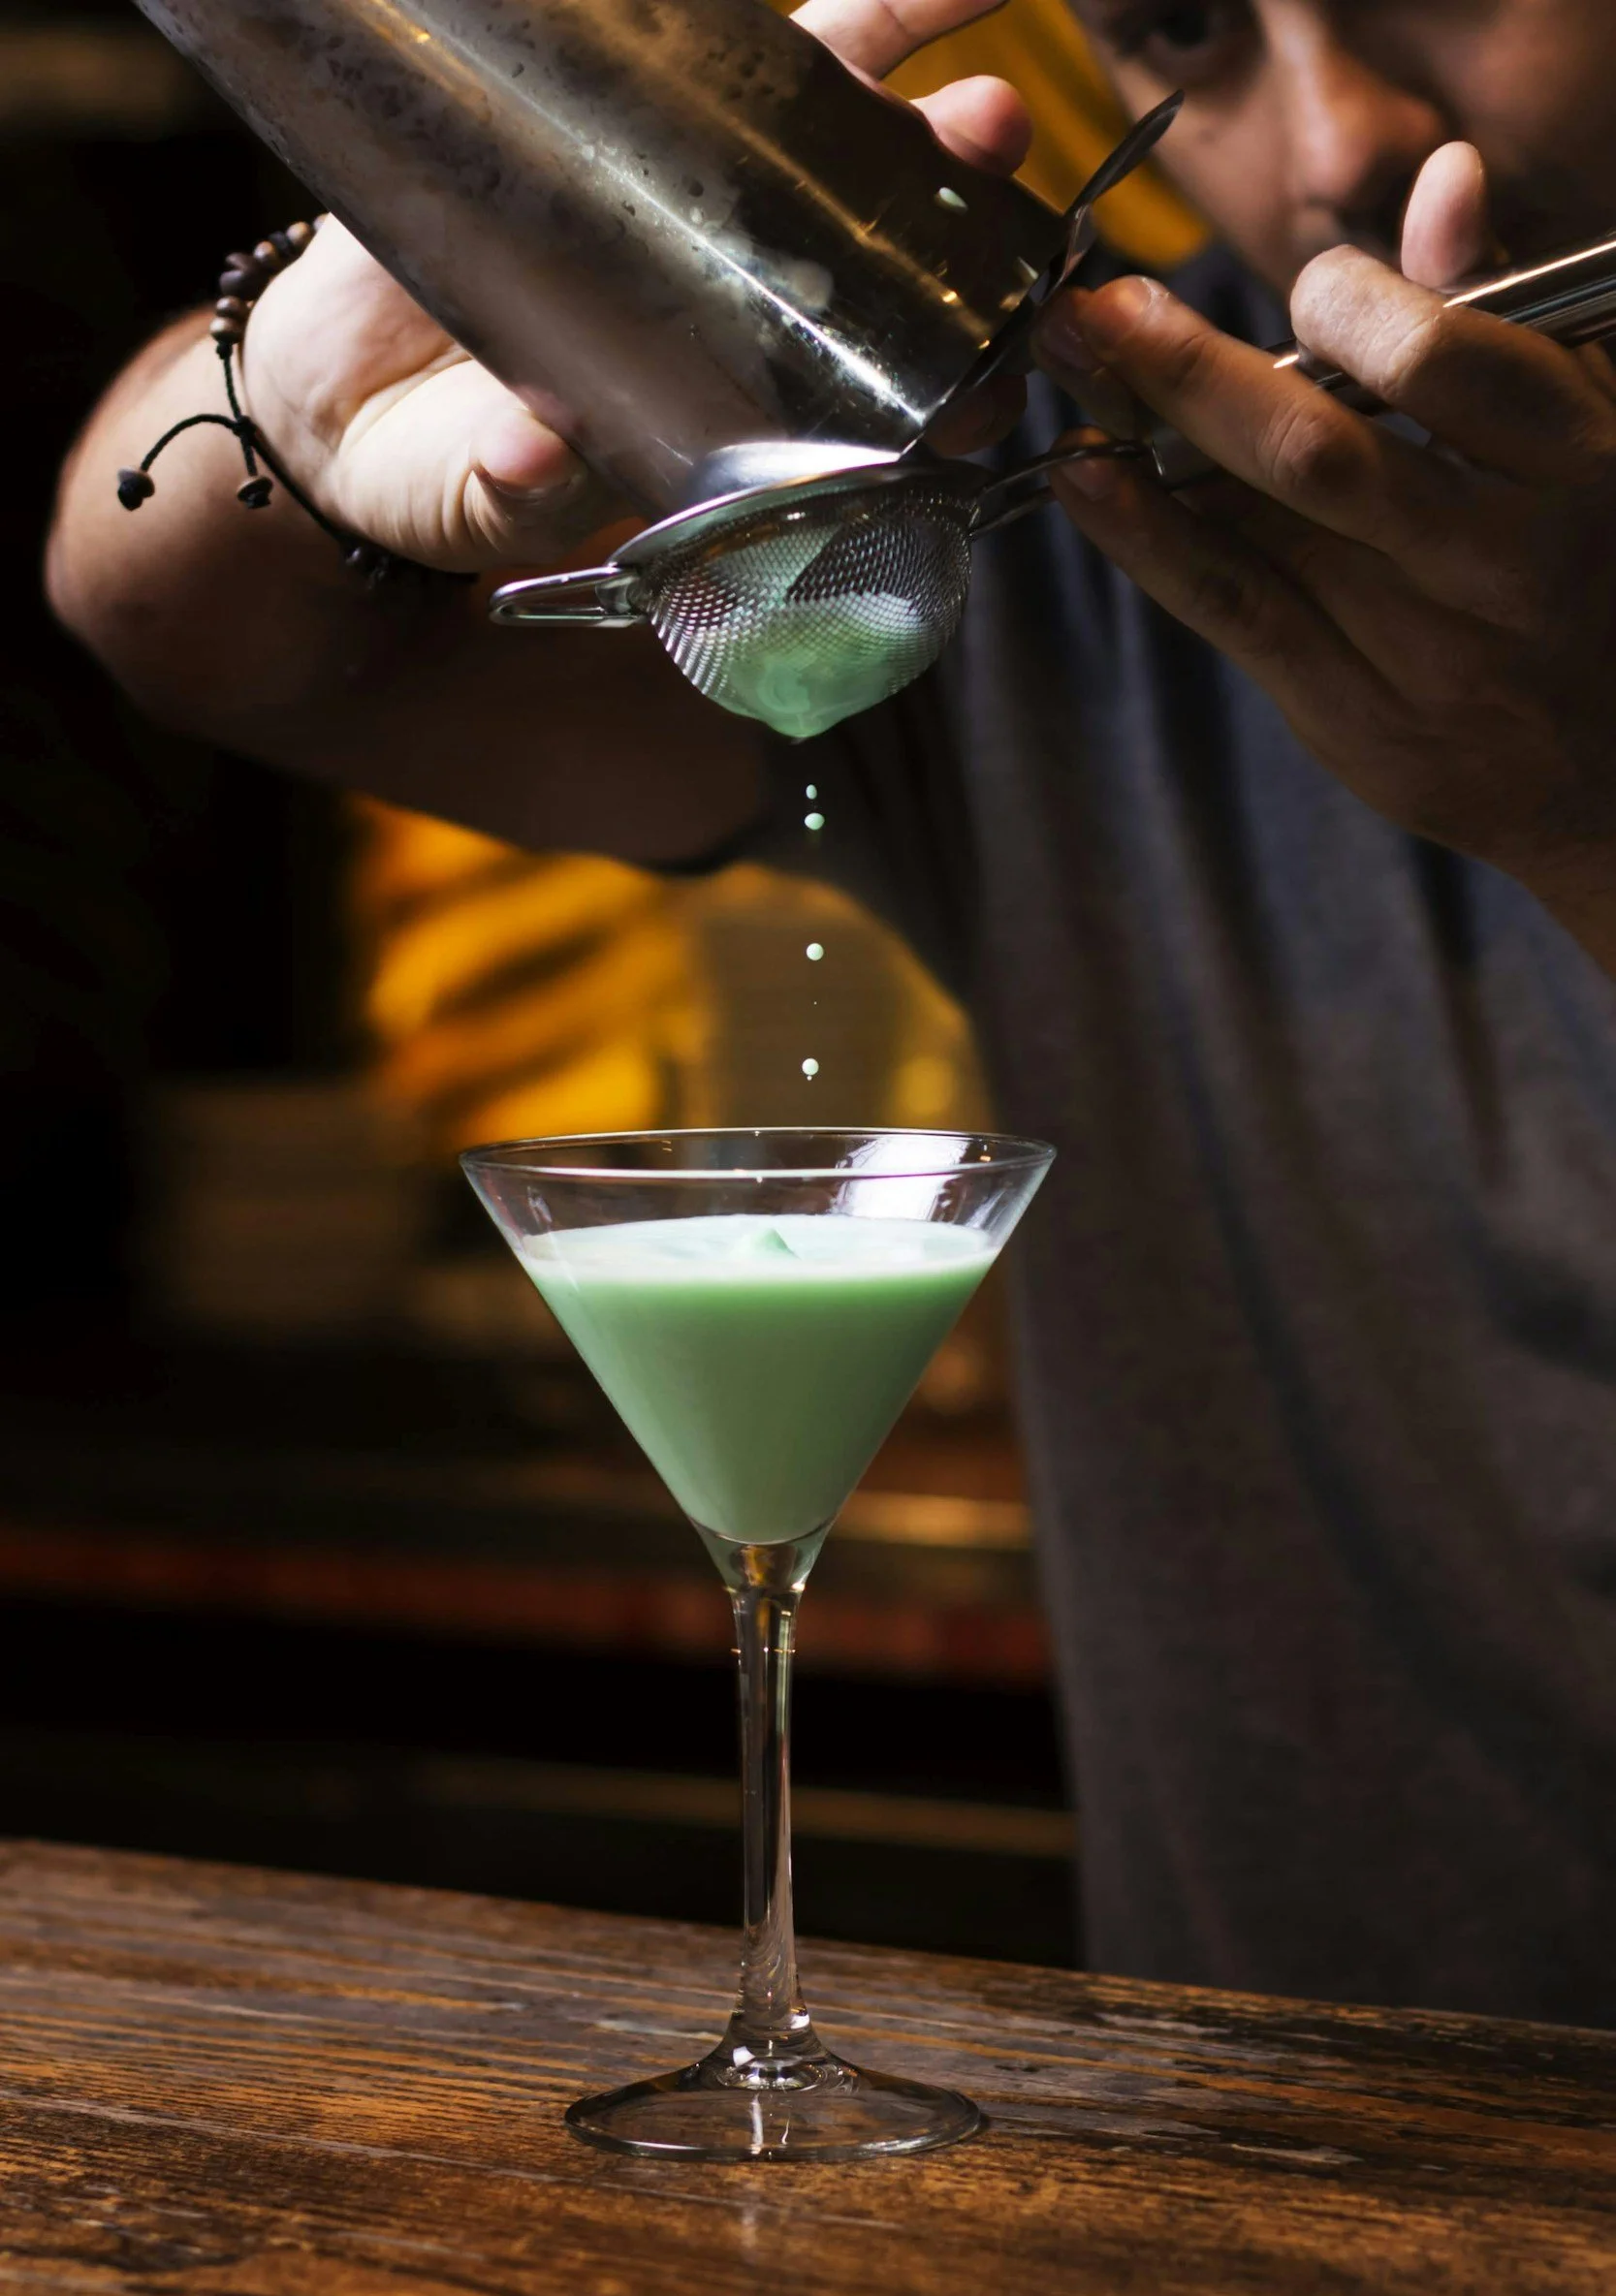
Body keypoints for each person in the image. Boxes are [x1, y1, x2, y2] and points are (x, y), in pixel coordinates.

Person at [48, 0, 1616, 2027]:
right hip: (1247, 2189)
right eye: (1178, 27)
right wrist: (306, 381)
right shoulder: (1108, 508)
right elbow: (169, 621)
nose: (1323, 143)